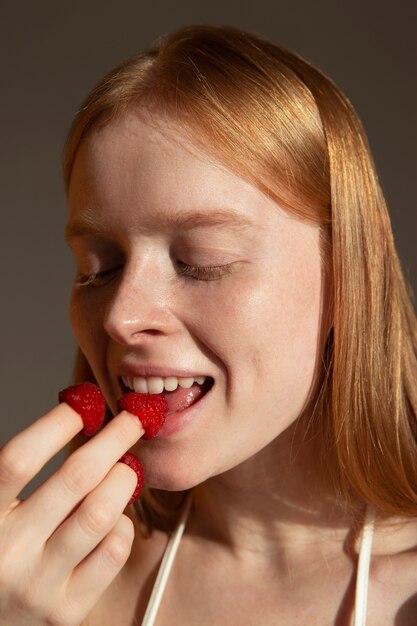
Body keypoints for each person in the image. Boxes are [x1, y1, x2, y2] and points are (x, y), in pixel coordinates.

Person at [0, 24, 416, 626]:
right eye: (99, 269)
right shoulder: (59, 595)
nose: (120, 317)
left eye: (202, 261)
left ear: (354, 268)